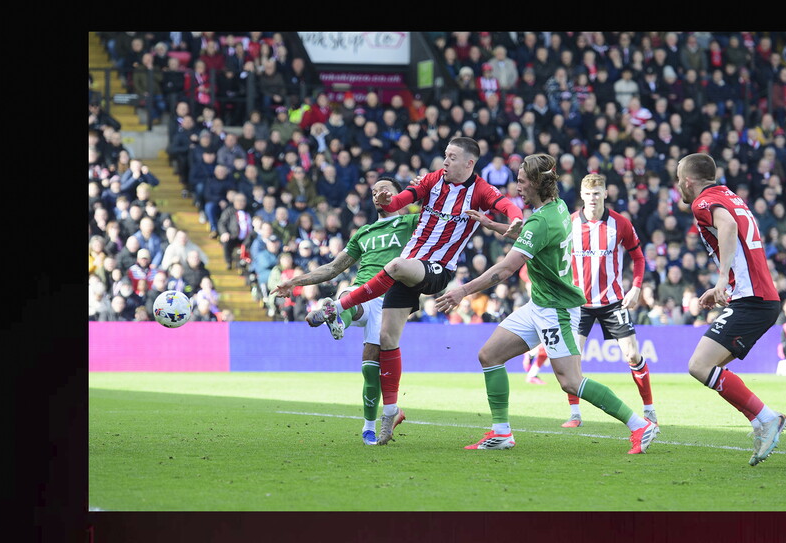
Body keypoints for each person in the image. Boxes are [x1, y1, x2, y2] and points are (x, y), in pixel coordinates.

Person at [307, 137, 524, 446]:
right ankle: (391, 412)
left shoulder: (480, 190)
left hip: (437, 269)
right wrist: (386, 200)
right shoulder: (433, 180)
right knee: (386, 339)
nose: (445, 162)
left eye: (451, 157)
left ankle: (338, 307)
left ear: (469, 163)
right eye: (445, 156)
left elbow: (506, 205)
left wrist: (514, 219)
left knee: (395, 265)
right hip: (412, 266)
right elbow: (400, 201)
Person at [435, 153, 658, 453]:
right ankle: (502, 433)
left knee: (570, 380)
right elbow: (526, 233)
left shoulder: (541, 221)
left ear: (538, 183)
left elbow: (504, 269)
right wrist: (492, 225)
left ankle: (639, 425)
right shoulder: (559, 208)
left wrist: (463, 291)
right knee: (489, 355)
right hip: (538, 304)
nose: (518, 188)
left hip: (557, 310)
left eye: (523, 182)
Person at [273, 178, 419, 445]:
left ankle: (370, 426)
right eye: (374, 191)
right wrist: (293, 282)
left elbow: (441, 218)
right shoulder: (364, 232)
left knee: (369, 369)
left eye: (385, 189)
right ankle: (337, 315)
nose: (378, 194)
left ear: (401, 195)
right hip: (363, 292)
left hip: (391, 299)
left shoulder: (411, 224)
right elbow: (332, 268)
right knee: (346, 293)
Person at [676, 152, 786, 466]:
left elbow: (725, 227)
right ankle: (760, 421)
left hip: (752, 299)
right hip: (758, 297)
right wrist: (721, 286)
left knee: (699, 366)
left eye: (678, 181)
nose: (678, 189)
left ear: (688, 181)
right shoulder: (731, 195)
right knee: (710, 368)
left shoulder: (702, 203)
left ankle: (767, 418)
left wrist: (722, 278)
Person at [558, 173, 660, 430]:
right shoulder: (568, 224)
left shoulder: (620, 224)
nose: (592, 198)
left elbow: (638, 258)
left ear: (605, 194)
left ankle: (649, 410)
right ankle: (574, 413)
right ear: (581, 195)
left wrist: (636, 288)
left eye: (597, 193)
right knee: (572, 359)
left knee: (633, 354)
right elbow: (557, 260)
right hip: (578, 303)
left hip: (613, 301)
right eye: (588, 193)